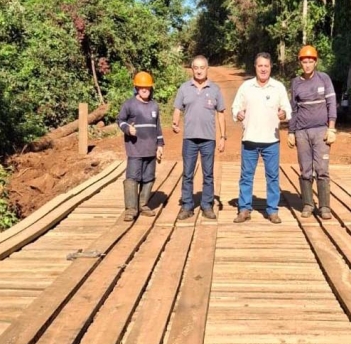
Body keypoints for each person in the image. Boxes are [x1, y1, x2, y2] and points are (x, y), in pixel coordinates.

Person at [231, 52, 292, 224]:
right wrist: (238, 113)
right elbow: (235, 107)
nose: (263, 69)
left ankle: (272, 210)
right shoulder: (246, 87)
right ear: (255, 67)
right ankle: (244, 209)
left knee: (272, 176)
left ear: (271, 67)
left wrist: (283, 114)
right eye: (260, 66)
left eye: (266, 66)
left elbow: (288, 110)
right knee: (246, 176)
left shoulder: (278, 87)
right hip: (249, 139)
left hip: (271, 141)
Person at [172, 55, 226, 220]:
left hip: (208, 139)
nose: (199, 71)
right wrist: (175, 122)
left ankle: (207, 205)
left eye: (202, 67)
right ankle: (187, 205)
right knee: (187, 173)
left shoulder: (215, 89)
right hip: (189, 139)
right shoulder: (184, 88)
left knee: (208, 173)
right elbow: (177, 109)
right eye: (196, 68)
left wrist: (223, 136)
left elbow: (221, 113)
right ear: (192, 69)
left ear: (207, 69)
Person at [287, 45, 337, 220]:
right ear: (300, 63)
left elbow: (332, 104)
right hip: (301, 132)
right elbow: (292, 109)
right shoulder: (296, 83)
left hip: (321, 131)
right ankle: (308, 204)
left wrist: (331, 128)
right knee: (305, 169)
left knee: (322, 169)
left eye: (310, 61)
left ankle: (324, 206)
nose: (307, 65)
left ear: (315, 62)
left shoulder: (324, 79)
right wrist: (291, 132)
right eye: (304, 61)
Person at [117, 71, 165, 222]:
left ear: (151, 88)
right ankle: (131, 209)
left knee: (149, 178)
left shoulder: (154, 106)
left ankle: (143, 205)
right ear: (136, 88)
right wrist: (127, 129)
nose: (144, 90)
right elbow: (120, 120)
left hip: (150, 149)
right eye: (141, 87)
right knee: (132, 178)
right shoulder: (129, 104)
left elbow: (158, 128)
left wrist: (160, 145)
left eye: (147, 88)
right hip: (135, 149)